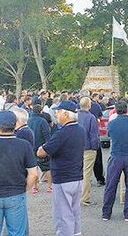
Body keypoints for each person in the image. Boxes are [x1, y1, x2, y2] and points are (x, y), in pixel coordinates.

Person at [37, 101, 85, 236]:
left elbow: (42, 152)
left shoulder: (62, 133)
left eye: (58, 112)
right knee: (75, 212)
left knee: (63, 215)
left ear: (65, 114)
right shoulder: (80, 130)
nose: (56, 114)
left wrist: (42, 147)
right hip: (77, 176)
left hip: (63, 178)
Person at [102, 101, 128, 222]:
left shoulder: (112, 124)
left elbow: (109, 136)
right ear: (127, 110)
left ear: (116, 110)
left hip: (116, 156)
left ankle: (106, 213)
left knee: (111, 185)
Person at [77, 97, 100, 206]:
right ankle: (84, 197)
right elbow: (94, 135)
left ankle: (76, 195)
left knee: (78, 172)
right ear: (89, 105)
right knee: (87, 174)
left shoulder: (75, 116)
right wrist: (95, 148)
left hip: (77, 148)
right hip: (88, 148)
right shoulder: (91, 117)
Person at [28, 104, 52, 194]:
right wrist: (48, 147)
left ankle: (34, 187)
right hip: (41, 147)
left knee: (33, 168)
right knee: (47, 167)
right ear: (40, 111)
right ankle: (50, 186)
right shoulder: (43, 121)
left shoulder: (28, 120)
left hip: (31, 147)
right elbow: (47, 135)